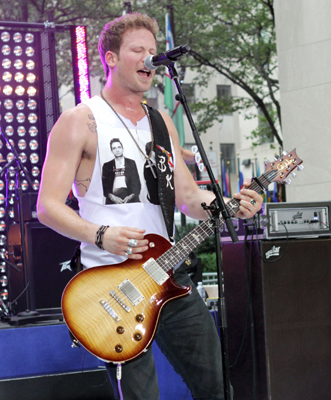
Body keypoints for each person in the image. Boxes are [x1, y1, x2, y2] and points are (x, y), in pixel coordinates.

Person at [36, 13, 263, 400]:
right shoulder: (80, 121)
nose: (149, 59)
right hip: (111, 284)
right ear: (110, 58)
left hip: (168, 274)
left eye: (153, 51)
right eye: (137, 50)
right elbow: (47, 206)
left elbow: (189, 199)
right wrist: (100, 234)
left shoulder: (162, 123)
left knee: (217, 388)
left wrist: (230, 205)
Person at [102, 138, 142, 204]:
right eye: (114, 148)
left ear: (122, 148)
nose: (117, 150)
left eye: (119, 147)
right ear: (111, 151)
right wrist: (112, 197)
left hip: (130, 197)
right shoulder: (107, 165)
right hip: (113, 198)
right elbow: (104, 187)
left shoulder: (131, 163)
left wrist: (130, 197)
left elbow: (137, 184)